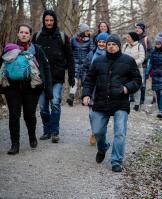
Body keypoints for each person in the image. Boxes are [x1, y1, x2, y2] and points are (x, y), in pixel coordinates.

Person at [82, 34, 142, 172]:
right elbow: (89, 79)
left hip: (120, 102)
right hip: (101, 101)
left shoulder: (128, 61)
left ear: (119, 46)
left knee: (120, 133)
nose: (111, 46)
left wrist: (127, 88)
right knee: (97, 131)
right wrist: (86, 94)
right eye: (109, 44)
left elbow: (137, 80)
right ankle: (102, 147)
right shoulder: (98, 61)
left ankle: (116, 161)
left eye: (114, 44)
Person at [0, 24, 52, 154]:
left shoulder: (37, 50)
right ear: (17, 34)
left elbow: (45, 68)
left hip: (31, 88)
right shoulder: (8, 49)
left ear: (30, 35)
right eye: (21, 32)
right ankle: (15, 144)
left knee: (29, 115)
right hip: (12, 88)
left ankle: (32, 135)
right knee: (14, 116)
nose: (23, 34)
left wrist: (48, 89)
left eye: (26, 33)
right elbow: (2, 68)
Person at [32, 10, 75, 143]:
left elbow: (70, 57)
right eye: (47, 20)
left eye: (51, 20)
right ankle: (47, 130)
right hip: (40, 78)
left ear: (55, 21)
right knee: (43, 106)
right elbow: (31, 56)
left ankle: (55, 132)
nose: (49, 23)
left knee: (55, 103)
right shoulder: (37, 36)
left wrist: (71, 76)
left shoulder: (62, 37)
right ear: (43, 21)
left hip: (57, 77)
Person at [87, 32, 109, 146]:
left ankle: (99, 133)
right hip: (92, 88)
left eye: (104, 42)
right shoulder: (91, 54)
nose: (101, 44)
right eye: (99, 42)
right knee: (91, 114)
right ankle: (94, 132)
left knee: (100, 114)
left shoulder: (110, 55)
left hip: (103, 89)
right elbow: (86, 69)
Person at [66, 23, 94, 106]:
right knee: (74, 80)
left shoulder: (90, 40)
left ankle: (84, 98)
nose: (88, 32)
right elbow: (69, 51)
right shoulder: (73, 40)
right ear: (83, 31)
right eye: (87, 30)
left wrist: (89, 62)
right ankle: (71, 97)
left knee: (85, 81)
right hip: (75, 63)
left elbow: (91, 51)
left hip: (85, 64)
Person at [122, 32, 145, 111]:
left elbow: (142, 58)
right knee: (126, 85)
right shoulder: (125, 46)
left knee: (137, 87)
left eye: (128, 37)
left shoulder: (139, 46)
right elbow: (121, 56)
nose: (127, 38)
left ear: (132, 38)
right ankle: (126, 102)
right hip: (125, 70)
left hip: (136, 70)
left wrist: (133, 63)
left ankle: (137, 104)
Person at [135, 22, 154, 104]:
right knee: (135, 81)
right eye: (136, 28)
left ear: (142, 29)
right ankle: (135, 100)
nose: (137, 29)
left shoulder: (146, 39)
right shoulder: (133, 38)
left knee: (143, 83)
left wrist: (143, 58)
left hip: (143, 65)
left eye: (139, 28)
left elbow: (150, 51)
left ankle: (142, 100)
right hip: (134, 64)